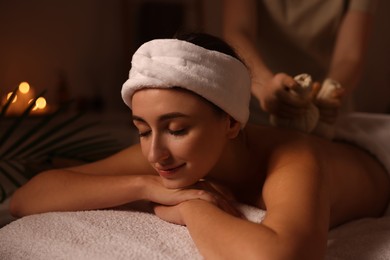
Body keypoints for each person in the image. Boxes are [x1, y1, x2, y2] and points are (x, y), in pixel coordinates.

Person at [9, 33, 389, 259]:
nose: (155, 154)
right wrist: (146, 186)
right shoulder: (164, 158)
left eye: (176, 128)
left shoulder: (295, 160)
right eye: (142, 130)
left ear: (231, 122)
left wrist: (191, 208)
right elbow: (28, 198)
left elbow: (280, 257)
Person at [223, 0, 376, 127]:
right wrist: (264, 87)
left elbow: (350, 57)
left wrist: (328, 93)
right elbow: (237, 31)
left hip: (326, 115)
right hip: (254, 108)